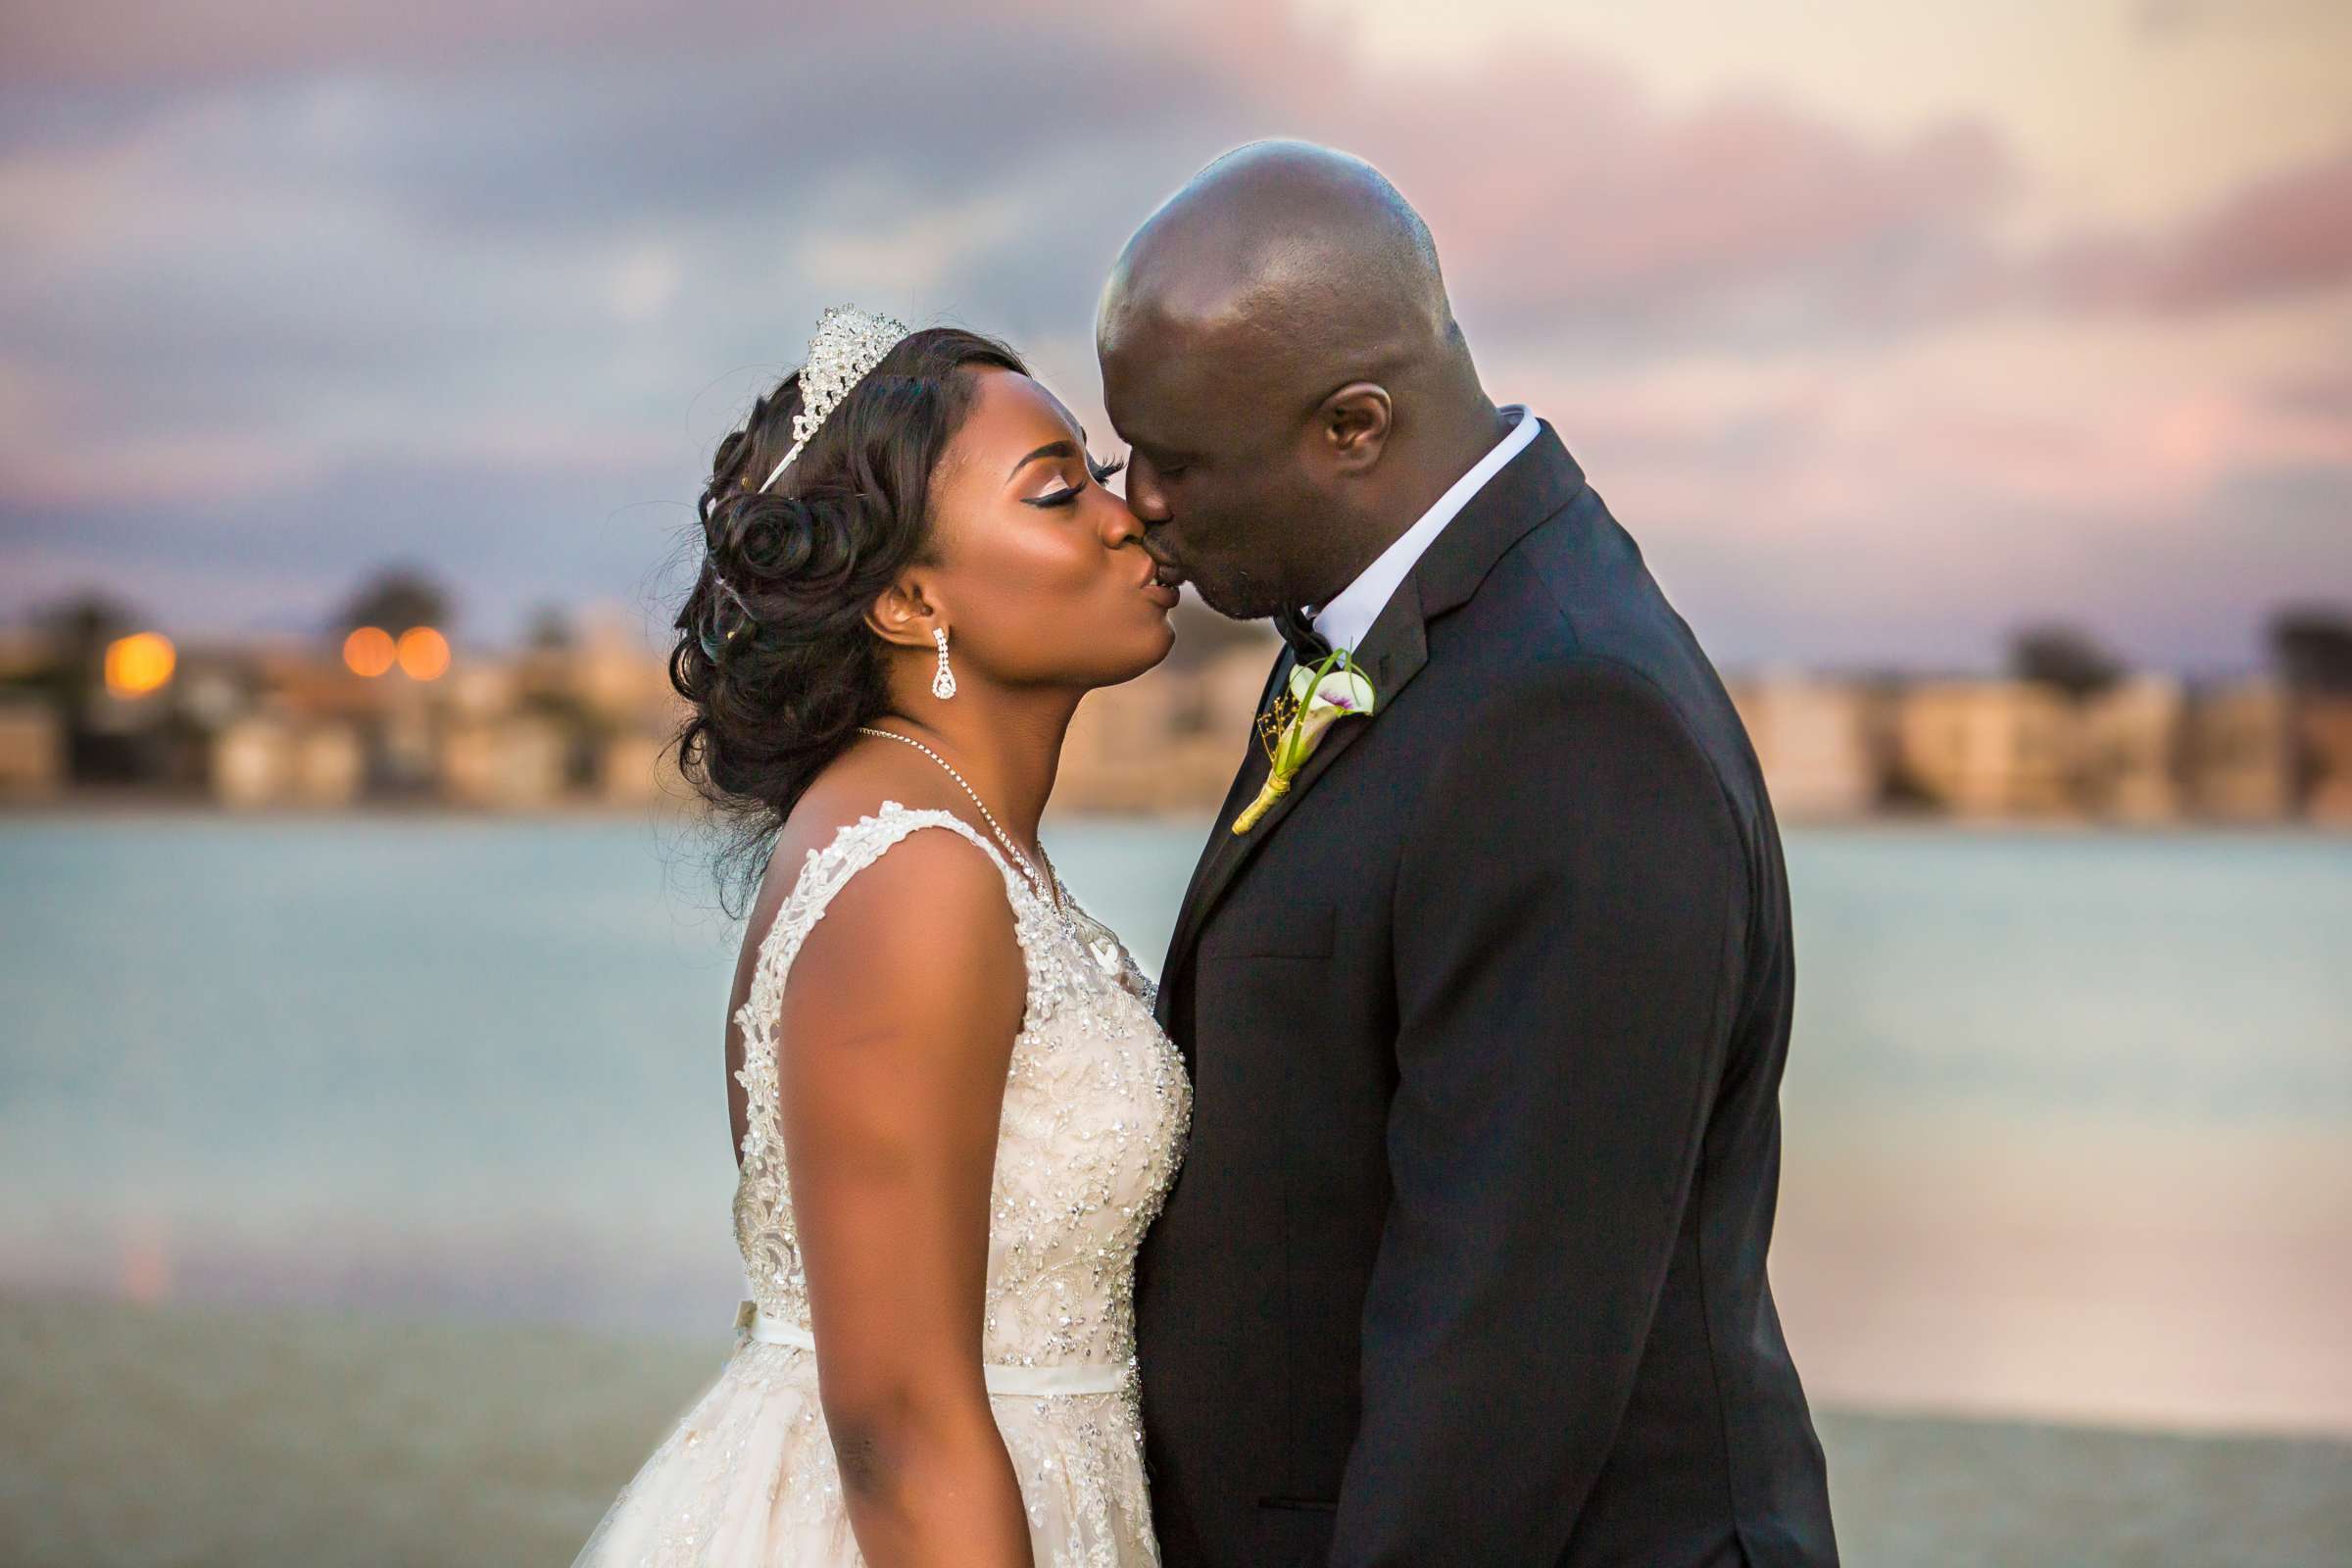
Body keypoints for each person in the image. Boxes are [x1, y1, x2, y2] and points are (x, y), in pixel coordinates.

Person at [1100, 143, 1840, 1566]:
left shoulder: (1570, 716)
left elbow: (1504, 1347)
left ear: (1355, 425)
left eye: (1180, 461)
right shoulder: (1405, 626)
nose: (1143, 500)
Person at [573, 310, 1192, 1566]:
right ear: (912, 599)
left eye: (1101, 477)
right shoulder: (914, 872)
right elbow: (899, 1422)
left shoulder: (948, 836)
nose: (1129, 517)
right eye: (1058, 493)